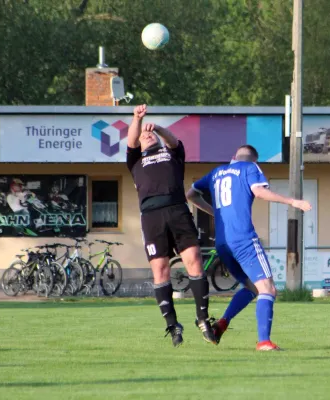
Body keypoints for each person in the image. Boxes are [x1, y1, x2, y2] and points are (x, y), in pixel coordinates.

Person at [186, 144, 311, 351]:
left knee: (252, 288)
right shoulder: (250, 168)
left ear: (233, 156)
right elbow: (259, 192)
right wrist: (292, 201)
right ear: (254, 160)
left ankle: (222, 324)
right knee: (268, 289)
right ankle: (264, 342)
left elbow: (191, 194)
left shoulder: (217, 172)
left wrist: (216, 214)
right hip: (243, 239)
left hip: (223, 242)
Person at [126, 104, 216, 347]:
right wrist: (137, 118)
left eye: (150, 134)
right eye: (144, 136)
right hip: (151, 217)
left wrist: (158, 128)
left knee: (194, 260)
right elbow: (132, 141)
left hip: (177, 210)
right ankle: (173, 325)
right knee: (161, 271)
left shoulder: (171, 154)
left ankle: (202, 318)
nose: (147, 135)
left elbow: (175, 141)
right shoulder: (136, 160)